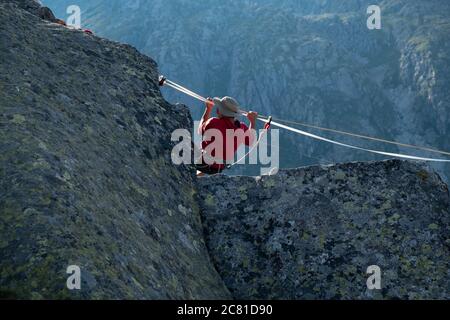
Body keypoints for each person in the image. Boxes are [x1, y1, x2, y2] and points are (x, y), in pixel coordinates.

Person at [195, 96, 258, 175]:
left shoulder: (213, 122)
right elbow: (250, 141)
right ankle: (199, 175)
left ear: (219, 111)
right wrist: (252, 122)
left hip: (203, 164)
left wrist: (208, 109)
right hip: (218, 168)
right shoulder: (241, 128)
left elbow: (200, 130)